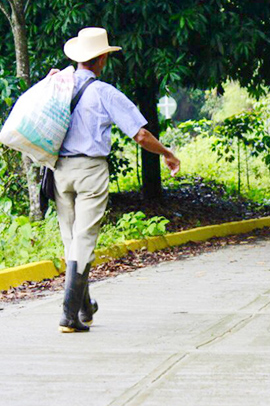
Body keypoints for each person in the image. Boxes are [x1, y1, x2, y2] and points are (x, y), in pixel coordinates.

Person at [54, 27, 181, 333]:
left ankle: (84, 308)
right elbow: (140, 134)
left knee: (71, 240)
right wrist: (167, 153)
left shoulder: (57, 87)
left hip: (58, 171)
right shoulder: (103, 92)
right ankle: (68, 314)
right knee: (83, 239)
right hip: (90, 171)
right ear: (101, 60)